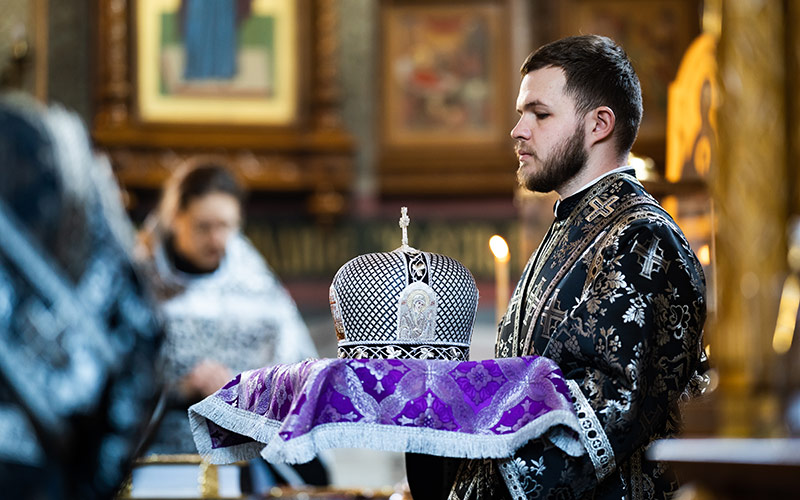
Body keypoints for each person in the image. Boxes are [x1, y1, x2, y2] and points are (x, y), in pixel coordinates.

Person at [445, 35, 708, 499]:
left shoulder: (640, 236)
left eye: (539, 114)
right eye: (520, 113)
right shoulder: (572, 228)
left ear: (599, 124)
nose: (518, 130)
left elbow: (613, 405)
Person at [135, 162, 327, 488]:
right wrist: (178, 390)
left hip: (239, 465)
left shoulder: (255, 282)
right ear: (175, 218)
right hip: (154, 462)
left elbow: (294, 377)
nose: (217, 239)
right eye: (203, 226)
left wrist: (240, 392)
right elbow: (111, 382)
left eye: (226, 226)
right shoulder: (137, 279)